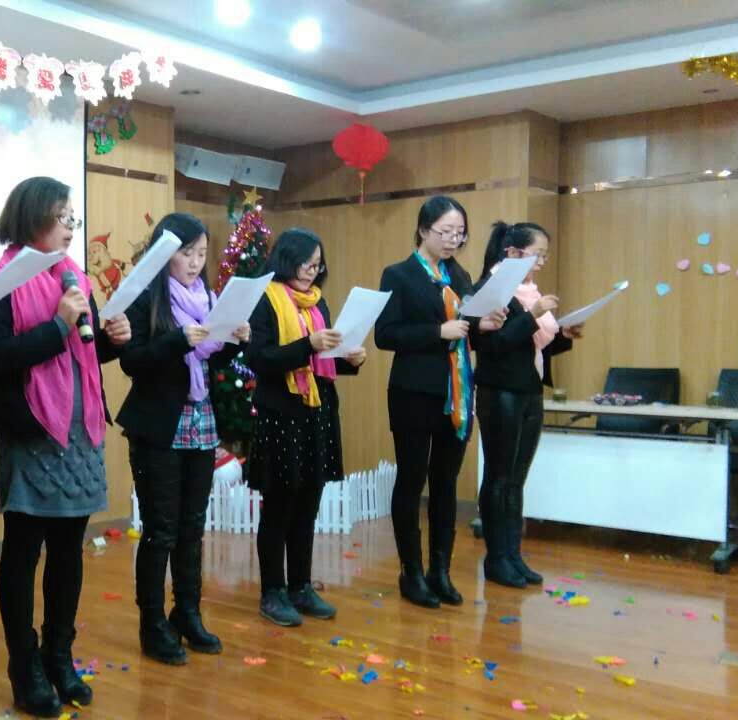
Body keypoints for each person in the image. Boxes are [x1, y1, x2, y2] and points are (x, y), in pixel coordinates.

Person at [0, 176, 131, 718]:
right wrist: (59, 325)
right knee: (23, 554)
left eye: (72, 219)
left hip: (80, 432)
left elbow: (83, 352)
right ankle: (25, 669)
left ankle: (59, 658)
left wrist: (112, 341)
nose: (70, 228)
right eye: (64, 218)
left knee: (68, 552)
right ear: (33, 216)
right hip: (31, 435)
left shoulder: (74, 278)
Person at [117, 212, 251, 664]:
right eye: (186, 253)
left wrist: (234, 341)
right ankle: (152, 623)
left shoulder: (207, 298)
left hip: (201, 420)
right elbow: (132, 361)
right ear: (164, 253)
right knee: (161, 530)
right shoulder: (146, 297)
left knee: (193, 527)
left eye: (201, 254)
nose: (195, 263)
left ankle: (187, 612)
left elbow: (211, 361)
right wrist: (179, 340)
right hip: (159, 425)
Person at [375, 195, 504, 610]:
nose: (453, 240)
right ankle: (411, 573)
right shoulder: (398, 274)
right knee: (412, 481)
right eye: (445, 232)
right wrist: (437, 332)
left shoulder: (460, 274)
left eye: (459, 233)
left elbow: (465, 332)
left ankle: (440, 572)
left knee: (446, 483)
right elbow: (385, 334)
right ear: (422, 230)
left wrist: (483, 326)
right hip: (414, 393)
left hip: (457, 392)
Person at [246, 228, 366, 627]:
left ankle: (300, 586)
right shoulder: (265, 298)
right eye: (305, 264)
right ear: (286, 260)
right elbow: (260, 360)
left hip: (317, 412)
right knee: (279, 508)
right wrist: (309, 345)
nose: (312, 272)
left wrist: (349, 360)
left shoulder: (317, 302)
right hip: (281, 413)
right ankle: (272, 591)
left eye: (317, 265)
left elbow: (323, 360)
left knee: (307, 507)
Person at [471, 221, 580, 587]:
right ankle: (496, 559)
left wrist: (564, 334)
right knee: (499, 477)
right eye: (538, 255)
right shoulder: (492, 288)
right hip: (500, 391)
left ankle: (513, 556)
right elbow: (493, 344)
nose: (542, 263)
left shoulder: (530, 292)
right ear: (513, 253)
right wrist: (533, 316)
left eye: (545, 256)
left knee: (517, 479)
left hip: (530, 390)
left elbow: (534, 345)